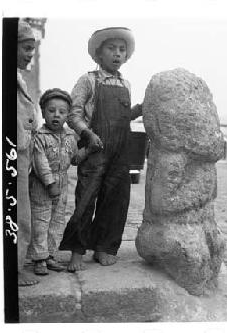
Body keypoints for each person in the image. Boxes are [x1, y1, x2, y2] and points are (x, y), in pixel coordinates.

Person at [59, 27, 143, 272]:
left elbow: (125, 117)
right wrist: (88, 134)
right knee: (85, 201)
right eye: (111, 48)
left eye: (121, 50)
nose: (117, 54)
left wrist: (141, 107)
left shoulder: (125, 83)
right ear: (98, 54)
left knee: (115, 202)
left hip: (120, 151)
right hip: (94, 149)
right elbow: (73, 114)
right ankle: (76, 252)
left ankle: (103, 248)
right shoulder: (88, 80)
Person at [27, 88, 87, 275]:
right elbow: (40, 162)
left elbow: (75, 158)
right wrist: (49, 184)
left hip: (62, 183)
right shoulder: (40, 136)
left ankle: (50, 255)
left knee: (57, 221)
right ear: (43, 112)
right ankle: (39, 258)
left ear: (67, 115)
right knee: (41, 221)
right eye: (51, 110)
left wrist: (88, 150)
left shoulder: (70, 136)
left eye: (62, 112)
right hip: (42, 185)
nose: (56, 115)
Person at [17, 20, 39, 286]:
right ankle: (14, 268)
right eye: (25, 47)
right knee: (18, 212)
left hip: (22, 151)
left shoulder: (18, 77)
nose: (29, 53)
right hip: (15, 152)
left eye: (32, 48)